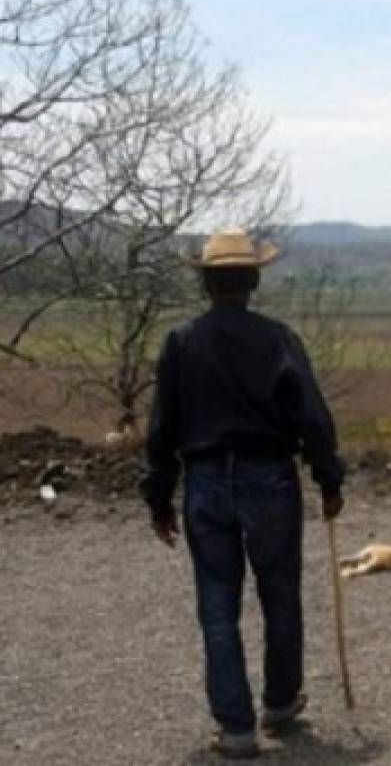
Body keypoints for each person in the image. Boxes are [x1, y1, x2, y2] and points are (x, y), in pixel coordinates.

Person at [138, 228, 346, 760]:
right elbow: (312, 416)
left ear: (206, 284)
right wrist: (328, 478)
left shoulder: (181, 342)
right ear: (252, 280)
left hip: (205, 482)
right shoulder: (278, 338)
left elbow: (162, 429)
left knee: (216, 606)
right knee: (280, 595)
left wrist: (159, 498)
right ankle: (279, 703)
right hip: (270, 478)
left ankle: (236, 730)